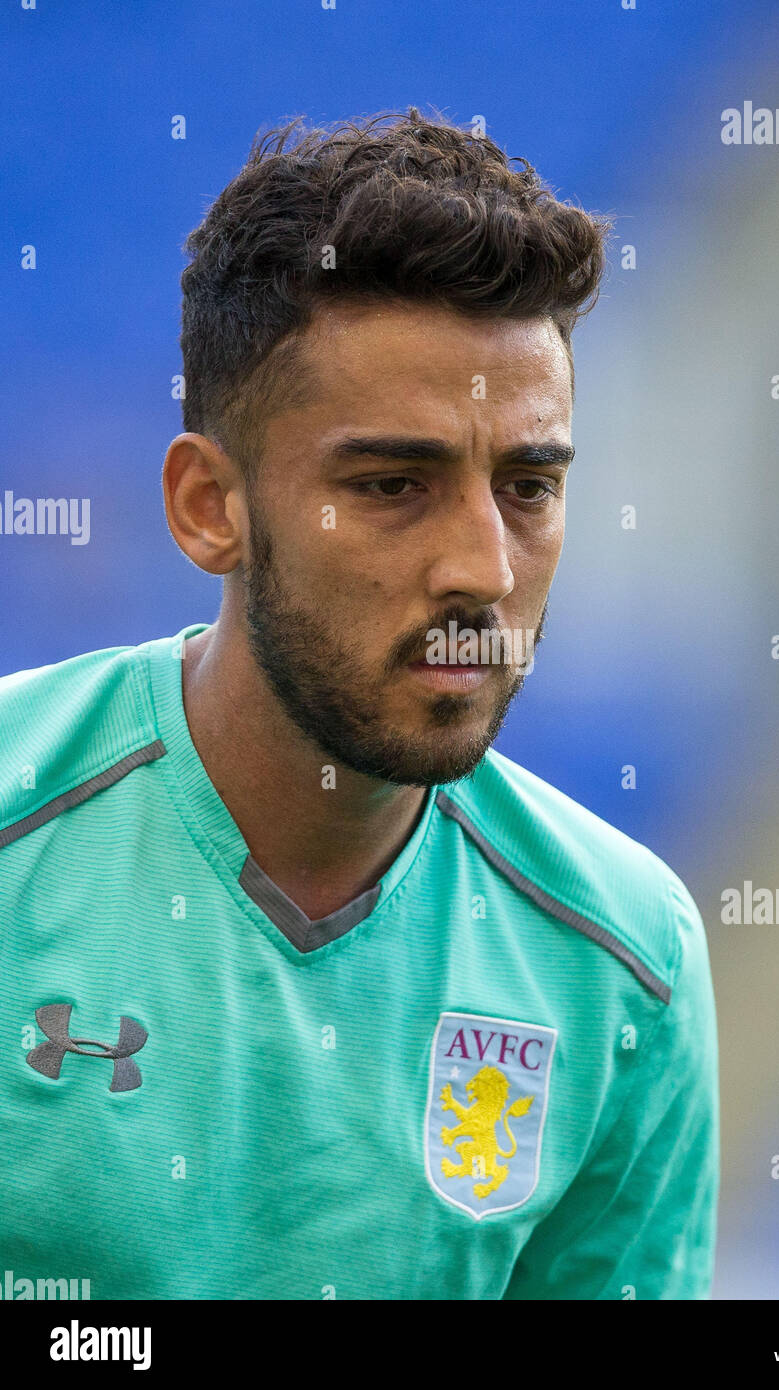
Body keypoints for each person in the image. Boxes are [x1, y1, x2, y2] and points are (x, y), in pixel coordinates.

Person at [0, 110, 718, 1300]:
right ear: (208, 507)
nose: (482, 567)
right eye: (393, 485)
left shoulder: (621, 965)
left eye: (528, 485)